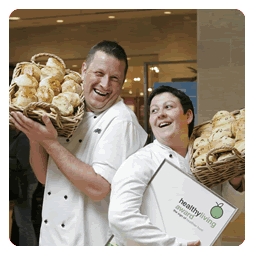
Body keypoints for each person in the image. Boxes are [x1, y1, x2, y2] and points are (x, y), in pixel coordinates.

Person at [10, 40, 148, 246]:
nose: (105, 84)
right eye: (99, 74)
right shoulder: (70, 112)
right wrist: (34, 136)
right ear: (84, 70)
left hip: (89, 241)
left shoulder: (121, 121)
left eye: (114, 78)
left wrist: (50, 143)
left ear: (122, 82)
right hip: (52, 238)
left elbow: (99, 187)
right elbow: (44, 177)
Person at [108, 85, 245, 246]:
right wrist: (174, 245)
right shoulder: (139, 162)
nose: (160, 114)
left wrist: (235, 181)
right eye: (154, 111)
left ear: (188, 115)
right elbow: (120, 217)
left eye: (168, 107)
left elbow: (222, 216)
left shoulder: (208, 160)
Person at [9, 127, 39, 246]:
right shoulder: (13, 134)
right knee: (20, 221)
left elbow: (23, 163)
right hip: (19, 182)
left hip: (25, 183)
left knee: (23, 221)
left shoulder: (24, 137)